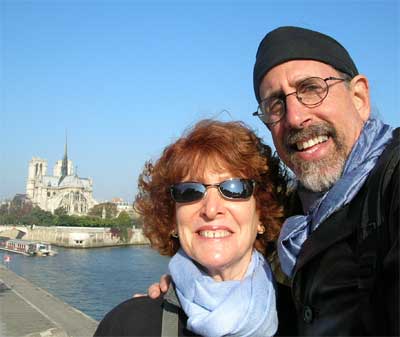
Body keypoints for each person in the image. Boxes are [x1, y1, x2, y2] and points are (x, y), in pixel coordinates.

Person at [149, 26, 399, 336]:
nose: (295, 117)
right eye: (275, 104)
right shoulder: (297, 220)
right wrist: (189, 287)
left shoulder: (391, 183)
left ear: (359, 96)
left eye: (311, 88)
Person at [94, 119, 294, 337]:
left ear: (261, 215)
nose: (211, 209)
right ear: (173, 220)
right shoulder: (128, 326)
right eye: (190, 191)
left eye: (234, 188)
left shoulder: (310, 320)